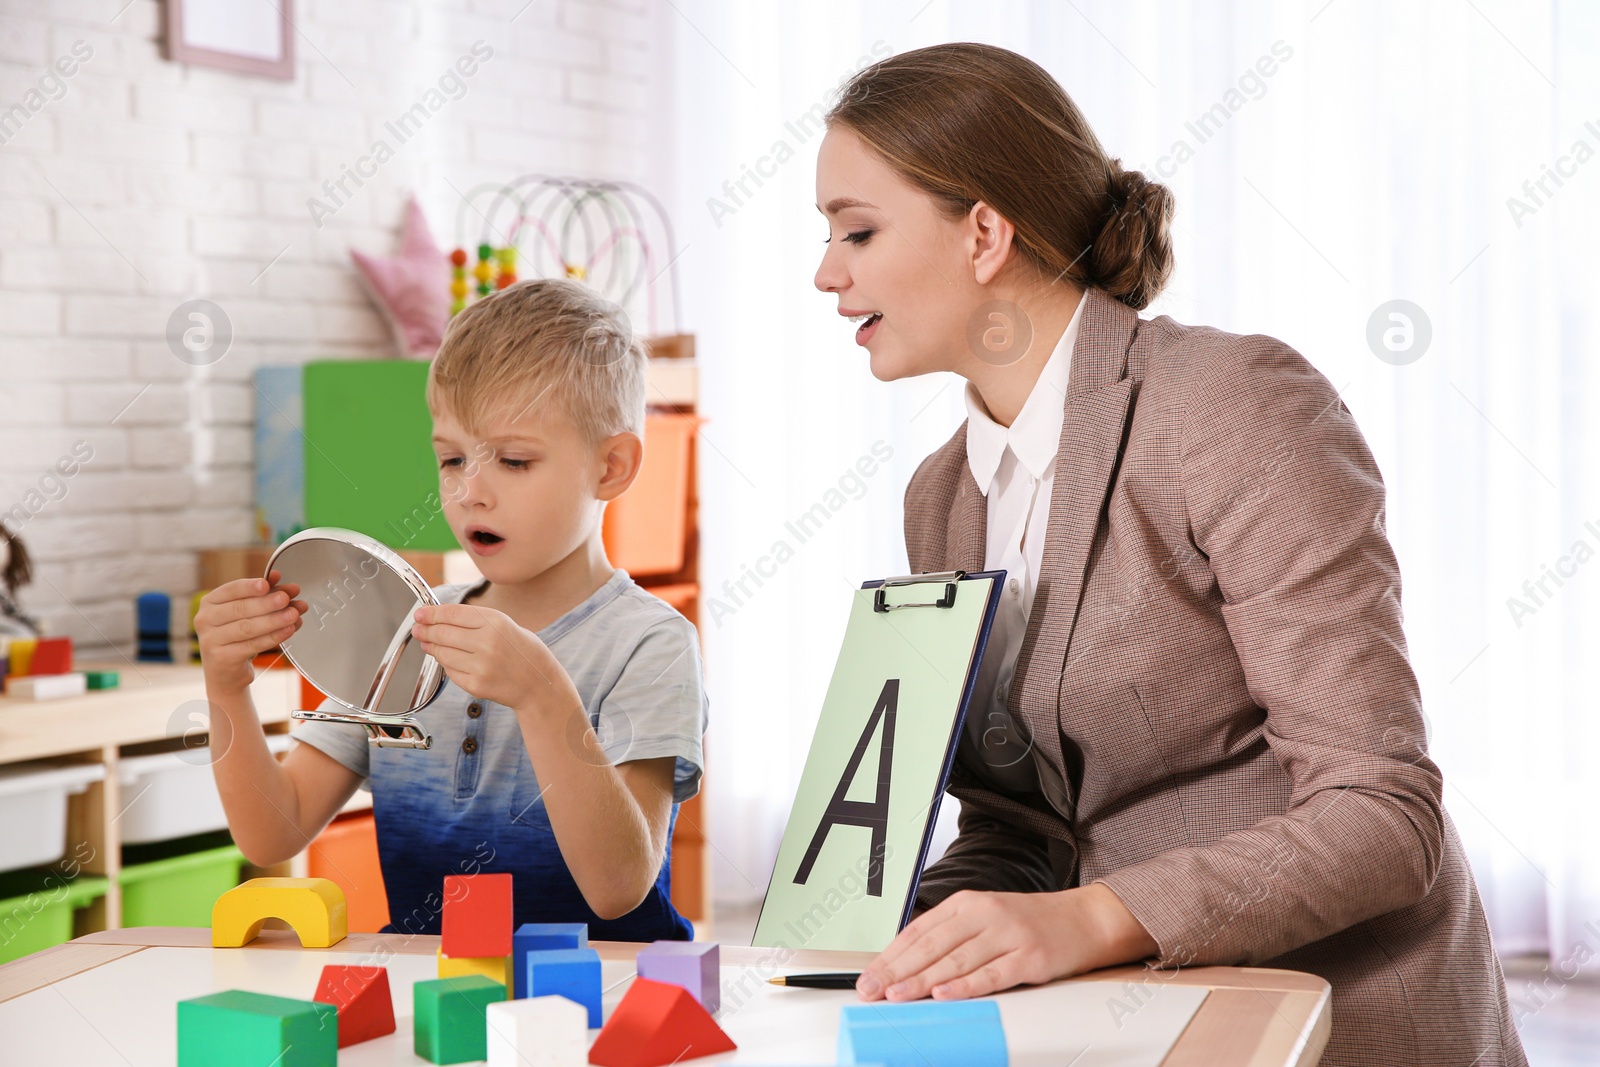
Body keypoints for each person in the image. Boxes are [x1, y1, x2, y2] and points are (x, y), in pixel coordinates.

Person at [815, 43, 1523, 1066]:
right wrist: (911, 935)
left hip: (1330, 1009)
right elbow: (1021, 822)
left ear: (981, 233)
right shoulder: (944, 493)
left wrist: (1086, 918)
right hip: (1129, 1012)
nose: (826, 272)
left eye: (857, 230)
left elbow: (1382, 814)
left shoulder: (1229, 405)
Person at [195, 279, 707, 941]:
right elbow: (273, 830)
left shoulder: (649, 643)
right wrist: (224, 686)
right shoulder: (402, 627)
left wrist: (544, 695)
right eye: (452, 458)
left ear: (611, 467)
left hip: (598, 1004)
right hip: (434, 995)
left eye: (515, 461)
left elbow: (618, 888)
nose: (470, 492)